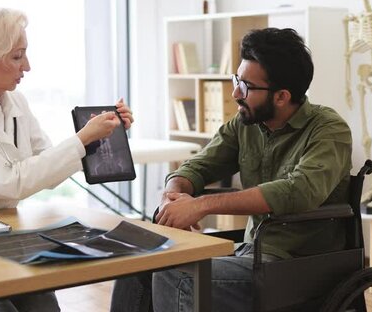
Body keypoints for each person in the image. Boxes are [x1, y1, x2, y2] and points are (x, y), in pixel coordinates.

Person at [110, 28, 352, 312]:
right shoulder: (245, 124)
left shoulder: (328, 129)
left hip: (299, 266)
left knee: (175, 275)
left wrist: (201, 206)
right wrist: (172, 198)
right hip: (249, 253)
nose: (235, 92)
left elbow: (298, 192)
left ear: (282, 97)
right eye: (237, 79)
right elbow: (197, 166)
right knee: (138, 264)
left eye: (246, 86)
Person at [0, 6, 134, 312]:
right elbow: (8, 183)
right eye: (17, 56)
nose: (27, 66)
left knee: (43, 302)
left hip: (0, 237)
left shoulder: (15, 101)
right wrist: (83, 138)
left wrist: (100, 136)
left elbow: (47, 165)